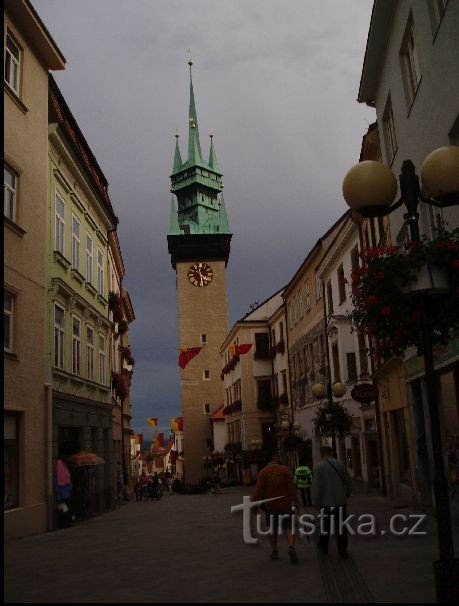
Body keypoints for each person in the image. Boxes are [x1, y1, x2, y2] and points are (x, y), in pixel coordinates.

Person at [251, 451, 299, 564]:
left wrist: (254, 504)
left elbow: (258, 491)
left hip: (271, 506)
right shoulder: (285, 470)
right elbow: (291, 487)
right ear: (275, 458)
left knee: (272, 529)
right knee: (289, 527)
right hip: (285, 504)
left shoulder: (263, 473)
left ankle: (275, 551)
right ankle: (291, 546)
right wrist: (295, 501)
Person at [311, 445, 352, 560]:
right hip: (340, 501)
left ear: (322, 453)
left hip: (326, 503)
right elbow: (348, 481)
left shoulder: (319, 467)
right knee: (341, 527)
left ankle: (324, 547)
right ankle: (342, 550)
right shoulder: (340, 464)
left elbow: (317, 486)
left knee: (325, 526)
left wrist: (315, 500)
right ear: (331, 452)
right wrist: (347, 493)